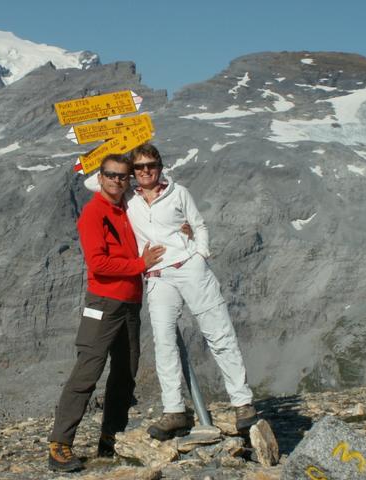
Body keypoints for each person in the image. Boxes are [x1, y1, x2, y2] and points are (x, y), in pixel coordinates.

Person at [126, 143, 258, 440]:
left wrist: (200, 255)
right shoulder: (129, 201)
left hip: (190, 268)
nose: (146, 171)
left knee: (218, 332)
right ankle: (174, 410)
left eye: (151, 165)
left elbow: (199, 225)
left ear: (160, 166)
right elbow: (92, 181)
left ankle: (243, 403)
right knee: (164, 341)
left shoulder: (178, 192)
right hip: (158, 277)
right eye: (139, 167)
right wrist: (112, 142)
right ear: (133, 172)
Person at [47, 153, 166, 472]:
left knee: (125, 374)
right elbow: (98, 263)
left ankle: (111, 439)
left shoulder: (127, 209)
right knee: (88, 370)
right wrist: (140, 265)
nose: (117, 180)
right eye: (111, 175)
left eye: (123, 175)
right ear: (100, 178)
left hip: (130, 302)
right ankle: (60, 445)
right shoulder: (93, 213)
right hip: (103, 303)